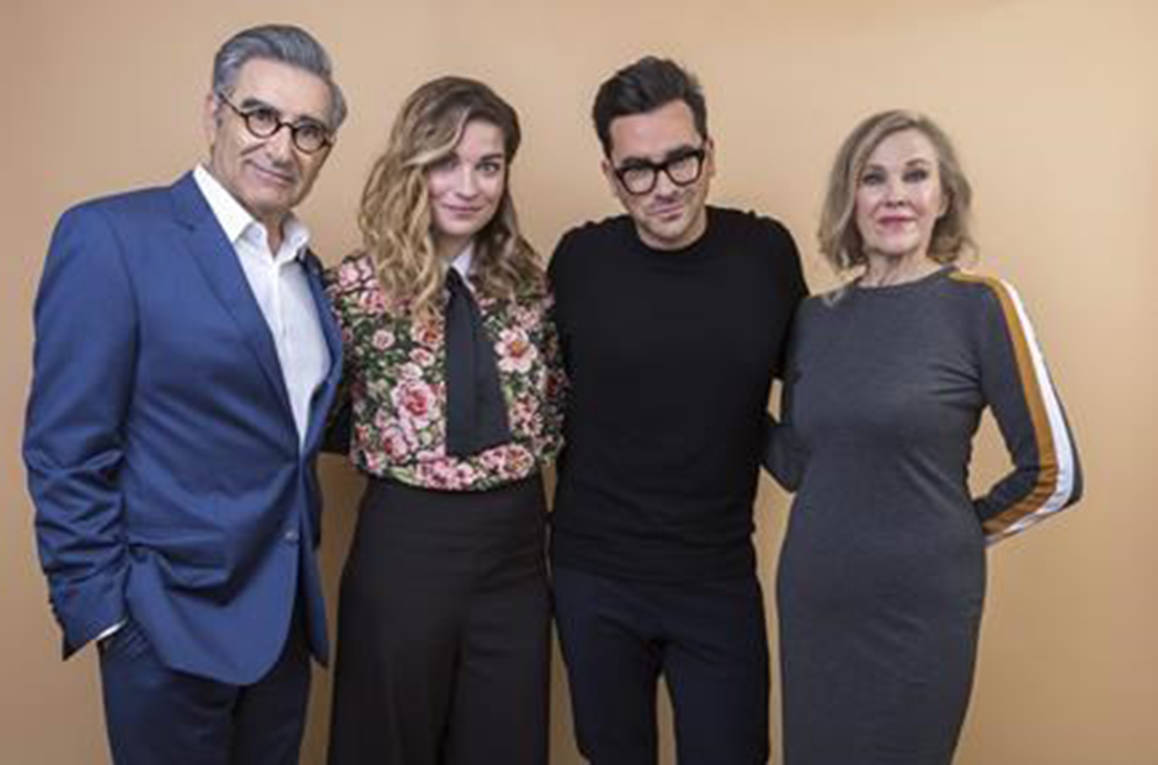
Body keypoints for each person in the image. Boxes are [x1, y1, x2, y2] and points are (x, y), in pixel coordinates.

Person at [23, 23, 347, 765]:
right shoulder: (111, 237)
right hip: (163, 628)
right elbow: (65, 446)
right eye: (260, 116)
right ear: (214, 113)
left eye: (308, 130)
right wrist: (106, 615)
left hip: (283, 631)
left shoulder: (309, 271)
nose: (281, 146)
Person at [765, 109, 1083, 764]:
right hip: (816, 597)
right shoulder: (815, 318)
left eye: (915, 175)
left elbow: (1055, 471)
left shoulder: (980, 304)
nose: (895, 195)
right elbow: (803, 465)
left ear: (944, 196)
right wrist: (723, 405)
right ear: (849, 198)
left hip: (920, 607)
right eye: (873, 178)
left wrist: (953, 535)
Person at [548, 56, 807, 764]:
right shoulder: (578, 261)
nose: (663, 187)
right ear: (610, 173)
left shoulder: (766, 254)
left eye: (680, 161)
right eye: (638, 169)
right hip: (593, 573)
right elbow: (530, 393)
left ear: (710, 155)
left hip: (716, 575)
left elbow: (826, 391)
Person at [323, 76, 564, 765]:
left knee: (506, 744)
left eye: (488, 165)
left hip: (516, 551)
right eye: (446, 163)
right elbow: (321, 415)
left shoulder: (531, 284)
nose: (468, 185)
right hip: (406, 545)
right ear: (414, 166)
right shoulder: (355, 291)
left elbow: (557, 403)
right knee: (386, 743)